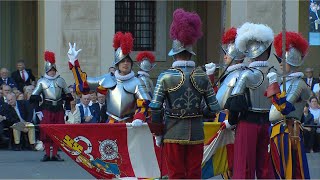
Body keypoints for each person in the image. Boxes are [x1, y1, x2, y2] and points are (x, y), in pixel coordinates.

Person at [149, 9, 220, 179]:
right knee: (195, 174)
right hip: (196, 132)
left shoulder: (165, 76)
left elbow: (156, 108)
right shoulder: (202, 76)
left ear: (174, 54)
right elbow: (213, 108)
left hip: (172, 132)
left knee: (175, 175)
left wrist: (158, 133)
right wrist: (198, 111)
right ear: (190, 52)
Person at [224, 22, 275, 179]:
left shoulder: (246, 74)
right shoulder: (274, 74)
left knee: (244, 167)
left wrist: (230, 122)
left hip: (248, 124)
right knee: (264, 167)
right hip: (267, 123)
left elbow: (235, 104)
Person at [67, 33, 150, 124]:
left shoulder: (137, 82)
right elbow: (84, 85)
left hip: (130, 124)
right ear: (117, 64)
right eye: (122, 61)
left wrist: (138, 118)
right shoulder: (108, 79)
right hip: (111, 122)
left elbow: (144, 104)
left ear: (131, 64)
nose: (125, 63)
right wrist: (74, 63)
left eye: (128, 61)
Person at [267, 31, 310, 178]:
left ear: (291, 61)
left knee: (289, 170)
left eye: (282, 60)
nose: (279, 62)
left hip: (289, 131)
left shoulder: (299, 84)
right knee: (276, 170)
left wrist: (273, 86)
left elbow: (285, 107)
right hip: (275, 130)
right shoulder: (284, 81)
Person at [29, 51, 73, 161]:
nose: (52, 72)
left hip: (59, 109)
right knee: (46, 132)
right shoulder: (41, 82)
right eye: (50, 70)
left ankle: (55, 154)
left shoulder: (61, 81)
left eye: (53, 70)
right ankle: (47, 154)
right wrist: (38, 111)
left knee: (58, 131)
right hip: (46, 109)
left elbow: (67, 96)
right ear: (46, 71)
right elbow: (34, 97)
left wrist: (67, 110)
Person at [215, 27, 246, 110]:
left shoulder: (235, 75)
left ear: (236, 56)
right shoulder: (233, 73)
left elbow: (220, 102)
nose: (225, 57)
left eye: (227, 55)